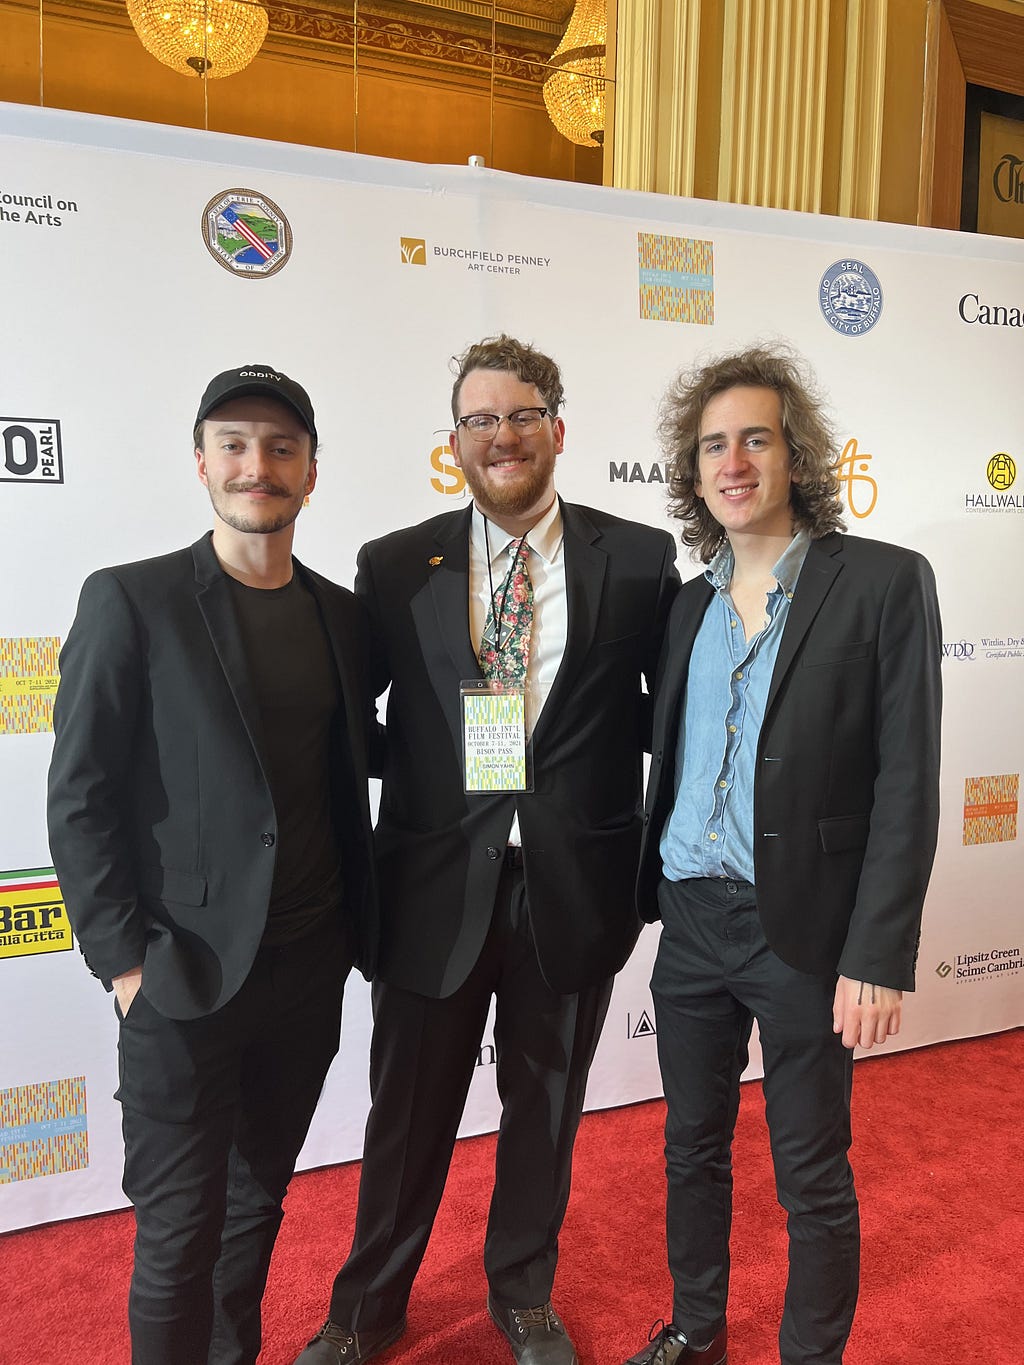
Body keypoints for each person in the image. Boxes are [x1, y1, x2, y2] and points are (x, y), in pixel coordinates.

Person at [295, 334, 679, 1365]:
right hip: (431, 881)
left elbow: (662, 715)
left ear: (557, 427)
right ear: (454, 440)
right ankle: (364, 1309)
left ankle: (522, 1294)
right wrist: (423, 768)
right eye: (479, 419)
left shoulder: (638, 559)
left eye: (521, 415)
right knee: (405, 1114)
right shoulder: (392, 563)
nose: (501, 436)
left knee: (544, 1110)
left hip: (572, 882)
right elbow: (350, 718)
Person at [46, 364, 378, 1365]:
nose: (257, 466)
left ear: (311, 472)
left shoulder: (342, 616)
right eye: (235, 444)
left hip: (306, 969)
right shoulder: (132, 601)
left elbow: (353, 761)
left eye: (281, 448)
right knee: (179, 1234)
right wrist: (123, 966)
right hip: (180, 976)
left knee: (254, 1204)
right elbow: (80, 795)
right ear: (202, 463)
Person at [624, 345, 942, 1365]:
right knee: (689, 1152)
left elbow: (906, 778)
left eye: (753, 438)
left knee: (810, 1171)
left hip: (803, 928)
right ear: (693, 469)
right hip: (689, 921)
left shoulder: (883, 582)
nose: (732, 461)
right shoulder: (684, 604)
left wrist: (877, 952)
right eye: (712, 444)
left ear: (794, 454)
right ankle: (697, 1334)